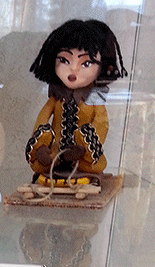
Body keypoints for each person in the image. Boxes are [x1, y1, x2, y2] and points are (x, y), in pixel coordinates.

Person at [26, 20, 127, 183]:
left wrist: (84, 149)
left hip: (83, 162)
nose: (73, 69)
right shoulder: (56, 98)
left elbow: (101, 124)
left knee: (92, 166)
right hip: (54, 158)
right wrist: (40, 148)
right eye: (64, 60)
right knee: (43, 166)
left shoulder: (94, 98)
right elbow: (41, 121)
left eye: (86, 63)